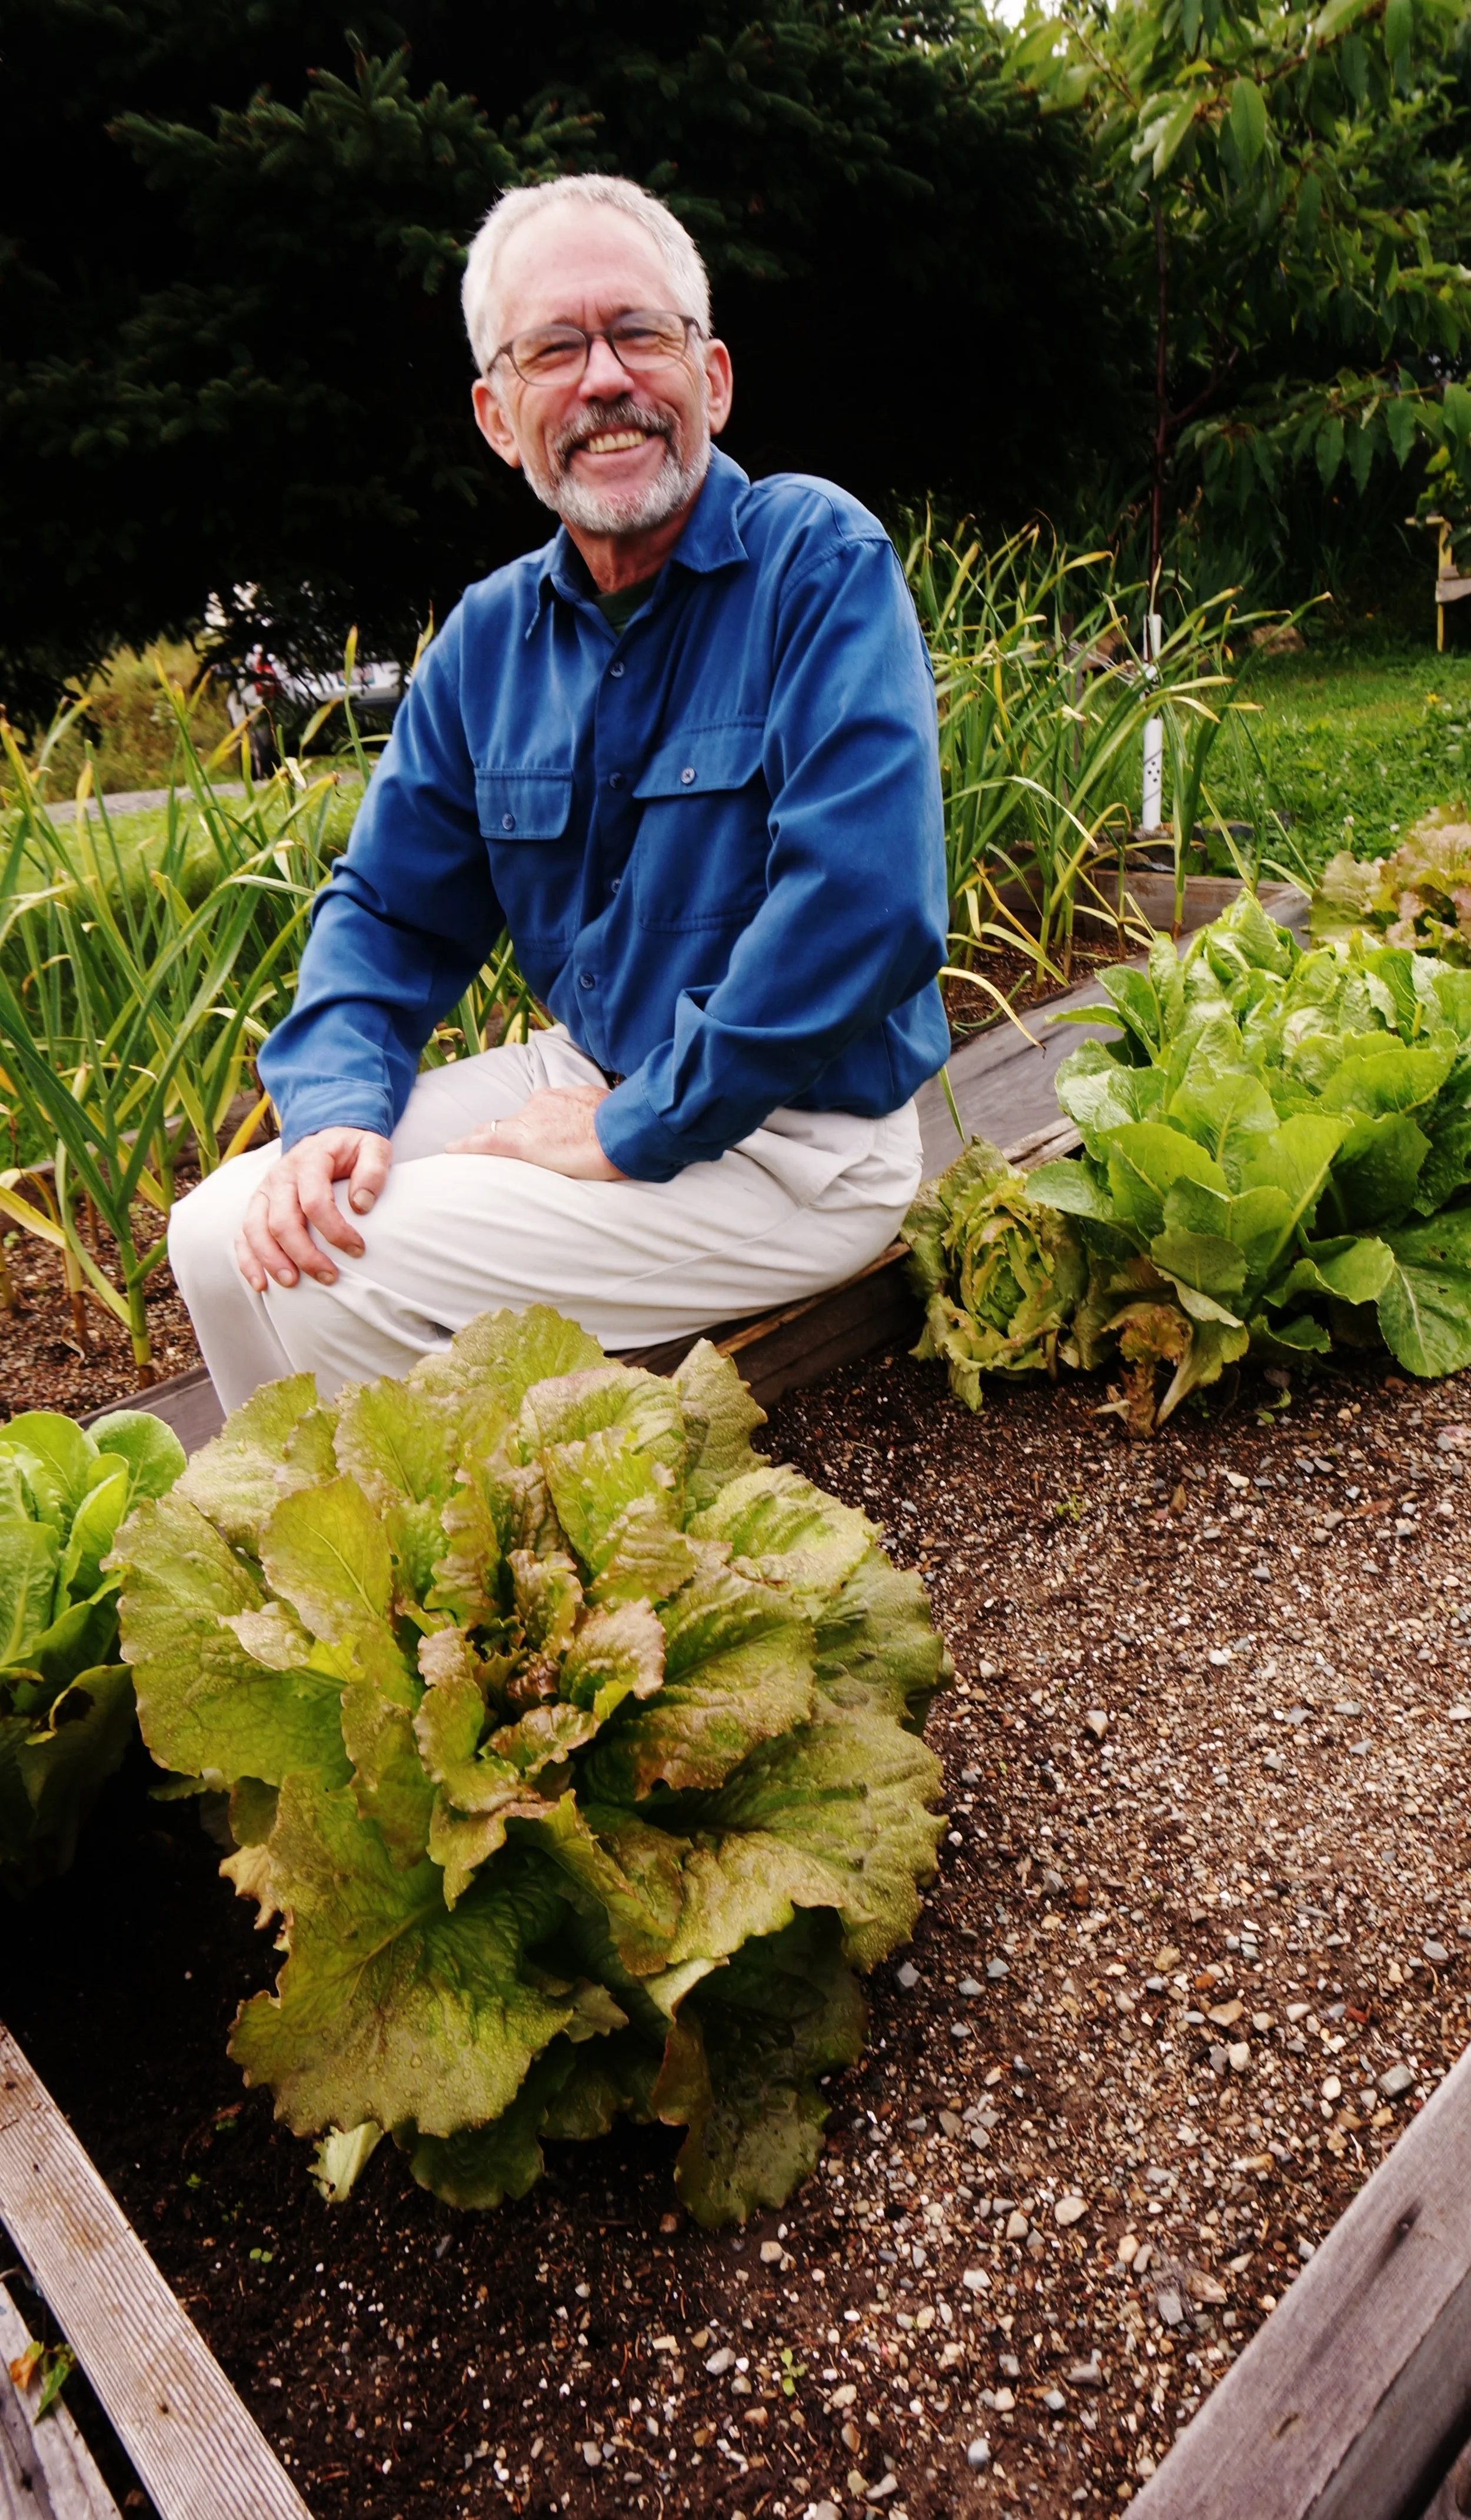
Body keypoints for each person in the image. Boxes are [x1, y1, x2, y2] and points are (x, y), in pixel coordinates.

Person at [169, 173, 949, 1411]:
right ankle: (313, 1552)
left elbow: (865, 903)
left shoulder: (815, 557)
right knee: (222, 1232)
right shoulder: (486, 641)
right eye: (552, 348)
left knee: (322, 1272)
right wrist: (331, 1107)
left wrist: (635, 1122)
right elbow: (387, 910)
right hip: (593, 1075)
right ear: (497, 413)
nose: (603, 380)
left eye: (639, 333)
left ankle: (436, 1579)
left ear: (713, 377)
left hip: (799, 1147)